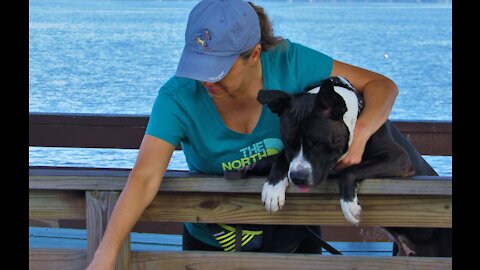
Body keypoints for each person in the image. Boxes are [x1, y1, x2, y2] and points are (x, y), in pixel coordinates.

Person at [86, 0, 439, 268]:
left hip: (294, 235)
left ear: (254, 54)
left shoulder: (289, 62)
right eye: (198, 66)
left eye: (218, 71)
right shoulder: (178, 96)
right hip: (214, 241)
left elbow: (382, 86)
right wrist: (105, 254)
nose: (206, 81)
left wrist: (359, 137)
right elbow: (144, 179)